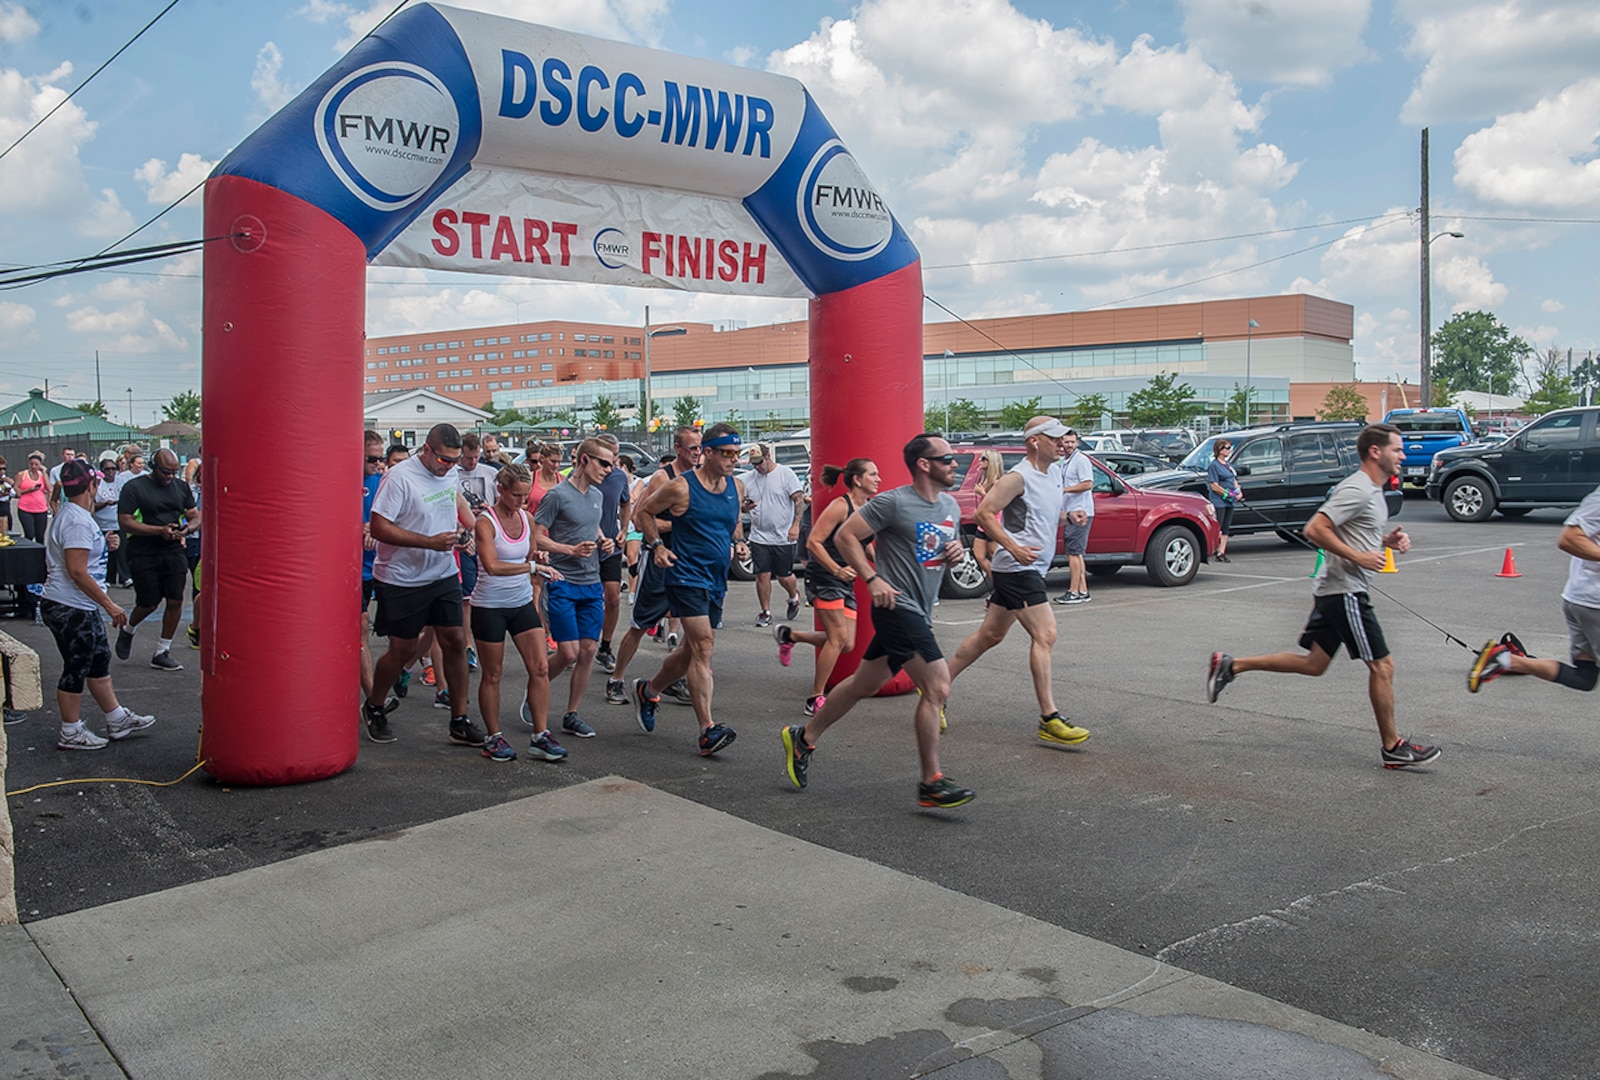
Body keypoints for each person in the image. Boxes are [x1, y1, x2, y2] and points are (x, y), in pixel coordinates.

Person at [1206, 423, 1441, 769]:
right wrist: (1359, 557)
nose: (1403, 456)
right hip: (1345, 591)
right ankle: (1393, 746)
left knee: (1314, 665)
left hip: (1336, 590)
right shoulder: (1358, 488)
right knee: (1383, 666)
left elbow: (1354, 533)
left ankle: (1231, 665)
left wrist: (1385, 543)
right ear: (1375, 452)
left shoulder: (1373, 491)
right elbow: (1315, 529)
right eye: (1398, 449)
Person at [780, 433, 975, 809]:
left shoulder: (949, 505)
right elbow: (848, 535)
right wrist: (872, 578)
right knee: (937, 686)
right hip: (896, 608)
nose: (954, 464)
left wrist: (956, 551)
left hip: (920, 608)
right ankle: (930, 782)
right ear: (924, 464)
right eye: (947, 458)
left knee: (862, 684)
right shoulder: (894, 501)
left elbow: (939, 551)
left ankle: (802, 738)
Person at [947, 417, 1091, 746]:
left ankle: (937, 684)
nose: (1061, 442)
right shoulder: (1017, 477)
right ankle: (1049, 717)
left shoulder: (1053, 472)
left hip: (1032, 567)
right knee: (1046, 633)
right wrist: (1012, 547)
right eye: (1054, 438)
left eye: (1063, 437)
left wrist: (1070, 516)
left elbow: (1041, 513)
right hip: (1015, 567)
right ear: (1034, 442)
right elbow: (984, 513)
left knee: (990, 635)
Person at [362, 423, 486, 749]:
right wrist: (428, 542)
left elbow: (454, 499)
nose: (450, 466)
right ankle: (374, 705)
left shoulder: (448, 472)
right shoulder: (400, 477)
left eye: (455, 460)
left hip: (441, 572)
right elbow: (378, 527)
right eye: (445, 460)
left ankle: (459, 719)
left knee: (455, 640)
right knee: (402, 649)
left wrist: (468, 531)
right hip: (401, 577)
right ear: (427, 450)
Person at [631, 423, 748, 756]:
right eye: (727, 454)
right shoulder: (681, 487)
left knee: (689, 652)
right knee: (704, 647)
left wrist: (739, 542)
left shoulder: (734, 487)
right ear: (707, 453)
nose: (733, 460)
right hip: (685, 576)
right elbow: (644, 512)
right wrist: (656, 546)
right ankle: (707, 730)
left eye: (737, 454)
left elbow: (732, 520)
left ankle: (649, 690)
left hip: (716, 578)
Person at [42, 459, 156, 750]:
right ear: (92, 485)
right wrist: (110, 604)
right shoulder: (77, 520)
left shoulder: (74, 515)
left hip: (79, 604)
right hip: (70, 605)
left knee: (98, 660)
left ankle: (116, 718)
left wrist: (103, 542)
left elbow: (79, 558)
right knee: (77, 665)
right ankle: (70, 730)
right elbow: (77, 571)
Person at [1469, 482, 1600, 696]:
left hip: (1581, 598)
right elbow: (1569, 539)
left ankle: (1503, 658)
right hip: (1594, 602)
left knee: (1584, 677)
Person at [774, 458, 880, 716]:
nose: (879, 479)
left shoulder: (866, 507)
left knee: (848, 643)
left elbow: (863, 542)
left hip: (846, 578)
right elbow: (813, 543)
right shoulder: (839, 506)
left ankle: (790, 636)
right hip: (825, 575)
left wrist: (881, 568)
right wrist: (836, 569)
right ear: (858, 479)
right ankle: (815, 697)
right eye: (873, 474)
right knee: (837, 638)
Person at [605, 430, 701, 708]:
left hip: (687, 560)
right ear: (678, 448)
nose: (697, 453)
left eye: (700, 448)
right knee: (640, 624)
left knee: (693, 623)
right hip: (658, 558)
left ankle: (673, 679)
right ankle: (616, 679)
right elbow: (639, 518)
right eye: (692, 448)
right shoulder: (663, 478)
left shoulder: (700, 478)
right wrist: (678, 525)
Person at [473, 462, 559, 763]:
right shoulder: (485, 522)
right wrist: (534, 566)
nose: (522, 501)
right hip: (489, 606)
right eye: (516, 496)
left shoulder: (527, 517)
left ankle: (540, 735)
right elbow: (493, 566)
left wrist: (539, 556)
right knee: (493, 674)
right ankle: (493, 737)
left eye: (525, 496)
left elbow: (530, 554)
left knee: (540, 668)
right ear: (501, 490)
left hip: (521, 602)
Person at [531, 437, 616, 741]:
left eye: (612, 463)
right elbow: (537, 537)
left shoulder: (596, 495)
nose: (609, 469)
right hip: (563, 581)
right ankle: (536, 692)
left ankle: (571, 714)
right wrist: (568, 549)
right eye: (603, 463)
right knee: (568, 652)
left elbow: (591, 526)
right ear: (583, 460)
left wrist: (604, 540)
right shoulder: (557, 495)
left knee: (589, 650)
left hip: (591, 582)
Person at [114, 448, 197, 671]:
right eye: (165, 472)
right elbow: (125, 521)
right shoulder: (134, 488)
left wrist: (187, 530)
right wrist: (159, 530)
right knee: (149, 602)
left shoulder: (180, 488)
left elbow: (195, 515)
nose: (169, 477)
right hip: (143, 550)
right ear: (154, 467)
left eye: (173, 472)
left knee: (175, 599)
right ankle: (129, 629)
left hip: (173, 549)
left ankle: (162, 650)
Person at [740, 442, 805, 628]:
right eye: (753, 464)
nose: (757, 467)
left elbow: (798, 500)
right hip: (759, 536)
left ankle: (793, 596)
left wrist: (795, 525)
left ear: (768, 457)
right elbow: (741, 502)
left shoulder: (785, 474)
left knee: (784, 576)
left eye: (759, 462)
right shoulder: (748, 479)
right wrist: (744, 507)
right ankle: (765, 611)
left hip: (783, 535)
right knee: (762, 575)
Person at [456, 432, 499, 671]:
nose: (471, 462)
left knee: (487, 589)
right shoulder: (451, 475)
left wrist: (489, 508)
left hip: (487, 537)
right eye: (467, 457)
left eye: (475, 457)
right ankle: (468, 645)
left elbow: (504, 505)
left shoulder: (490, 474)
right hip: (464, 539)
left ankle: (485, 640)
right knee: (467, 597)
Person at [593, 434, 631, 675]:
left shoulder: (619, 476)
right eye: (610, 456)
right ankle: (579, 642)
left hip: (612, 545)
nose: (614, 461)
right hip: (585, 545)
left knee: (613, 598)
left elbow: (625, 503)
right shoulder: (588, 476)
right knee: (589, 599)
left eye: (616, 456)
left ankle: (605, 647)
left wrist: (624, 529)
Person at [360, 430, 388, 706]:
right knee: (362, 627)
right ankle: (373, 701)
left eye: (380, 459)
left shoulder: (382, 482)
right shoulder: (340, 481)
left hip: (380, 568)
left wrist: (376, 529)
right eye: (372, 458)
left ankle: (401, 673)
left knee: (407, 637)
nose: (377, 464)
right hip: (352, 570)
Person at [1053, 430, 1095, 604]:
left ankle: (1074, 591)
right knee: (1076, 554)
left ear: (1077, 443)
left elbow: (1088, 483)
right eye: (1066, 442)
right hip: (1070, 512)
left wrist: (1064, 489)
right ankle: (1083, 591)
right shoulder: (1065, 462)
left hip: (1080, 512)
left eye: (1072, 442)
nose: (1069, 445)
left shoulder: (1081, 460)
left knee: (1073, 553)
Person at [969, 449, 1005, 574]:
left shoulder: (997, 482)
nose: (980, 460)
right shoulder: (984, 481)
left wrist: (982, 494)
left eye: (984, 458)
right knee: (979, 556)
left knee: (995, 556)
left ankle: (1001, 587)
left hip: (993, 523)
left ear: (992, 462)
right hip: (982, 525)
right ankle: (996, 583)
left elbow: (996, 505)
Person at [1207, 438, 1241, 562]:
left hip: (1230, 502)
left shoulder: (1228, 465)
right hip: (1219, 501)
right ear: (1219, 450)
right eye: (1226, 448)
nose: (1229, 450)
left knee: (1226, 526)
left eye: (1229, 448)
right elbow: (1214, 485)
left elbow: (1233, 480)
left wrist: (1238, 492)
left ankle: (1221, 552)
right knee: (1218, 526)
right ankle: (1214, 549)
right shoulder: (1214, 466)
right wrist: (1227, 494)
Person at [91, 453, 122, 590]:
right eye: (107, 469)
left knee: (120, 551)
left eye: (113, 469)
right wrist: (105, 503)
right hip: (102, 522)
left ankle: (123, 577)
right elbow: (91, 506)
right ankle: (108, 577)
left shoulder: (120, 482)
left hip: (118, 522)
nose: (110, 472)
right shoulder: (98, 485)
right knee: (106, 552)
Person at [16, 452, 49, 542]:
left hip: (41, 509)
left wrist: (45, 473)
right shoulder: (22, 475)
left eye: (36, 464)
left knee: (40, 535)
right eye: (31, 464)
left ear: (40, 465)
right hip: (25, 508)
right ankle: (28, 553)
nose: (34, 466)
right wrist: (29, 490)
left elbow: (49, 489)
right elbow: (16, 492)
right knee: (29, 534)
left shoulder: (42, 475)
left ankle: (40, 554)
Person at [46, 447, 76, 514]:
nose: (70, 457)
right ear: (62, 455)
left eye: (72, 455)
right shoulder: (55, 470)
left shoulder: (78, 470)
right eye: (67, 454)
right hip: (62, 501)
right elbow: (52, 489)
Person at [0, 455, 14, 535]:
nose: (2, 472)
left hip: (6, 509)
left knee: (7, 533)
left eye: (4, 469)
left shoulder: (6, 480)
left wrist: (12, 484)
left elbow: (17, 493)